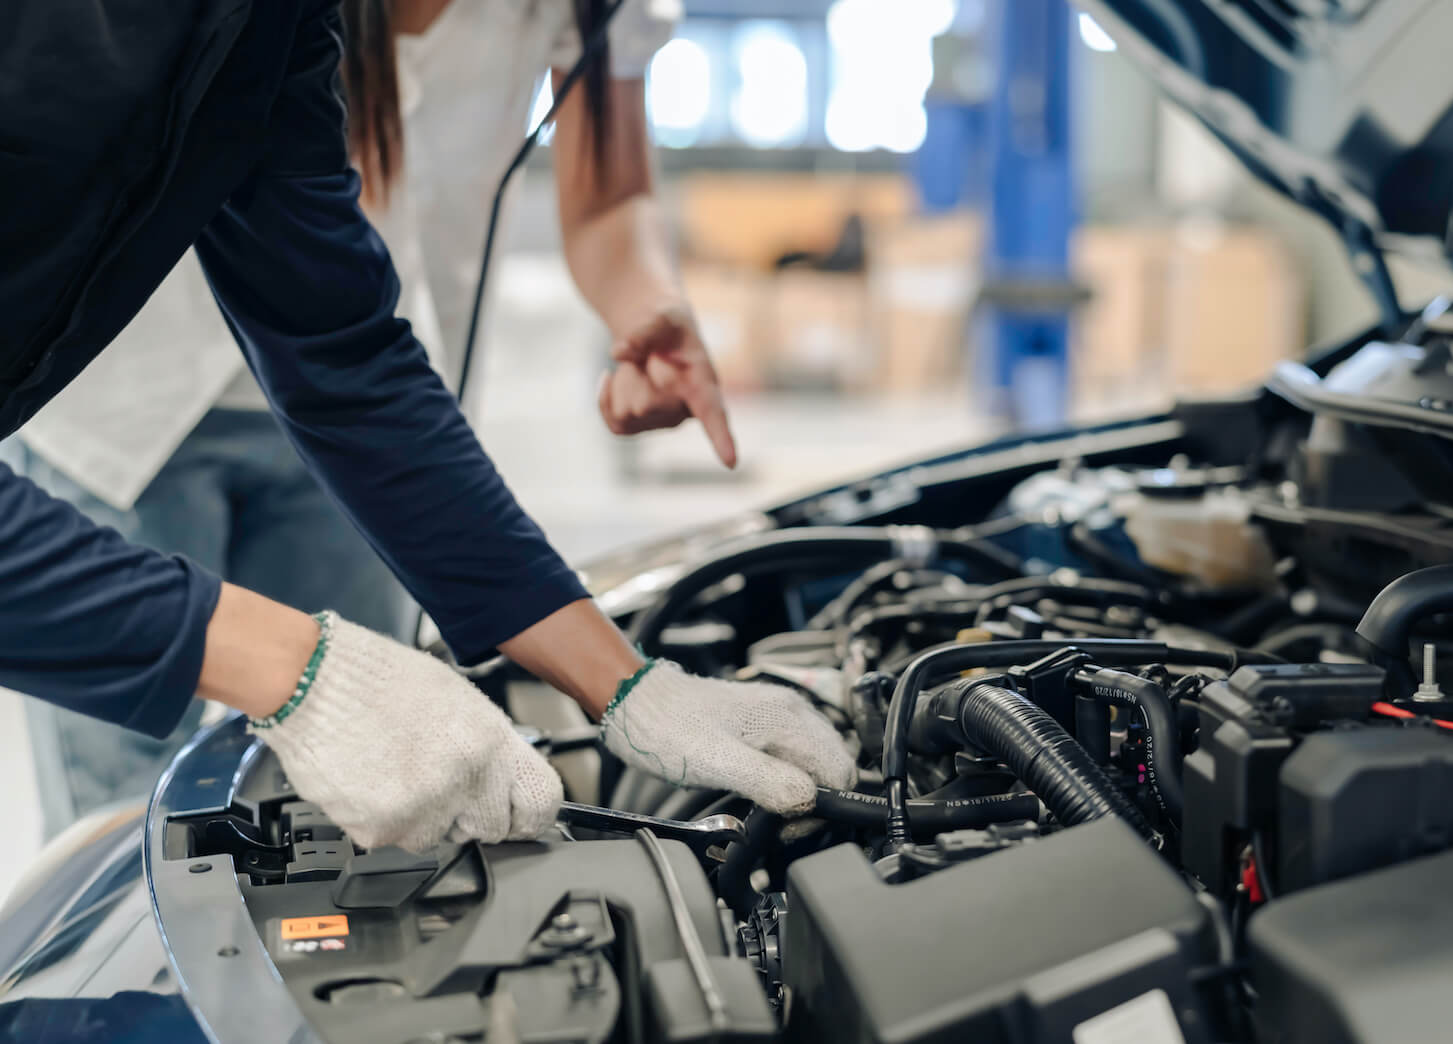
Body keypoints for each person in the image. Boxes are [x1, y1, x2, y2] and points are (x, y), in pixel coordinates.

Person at [0, 0, 855, 854]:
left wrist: (628, 685)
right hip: (123, 421)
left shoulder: (277, 24)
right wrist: (301, 671)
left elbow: (339, 350)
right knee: (121, 839)